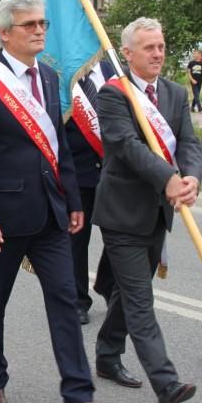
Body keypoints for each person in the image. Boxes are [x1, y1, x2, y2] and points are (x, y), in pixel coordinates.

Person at [0, 0, 117, 403]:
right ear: (5, 33)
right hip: (3, 219)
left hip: (50, 213)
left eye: (42, 23)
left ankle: (77, 395)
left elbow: (57, 143)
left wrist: (73, 196)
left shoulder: (47, 77)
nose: (40, 30)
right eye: (30, 25)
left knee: (66, 300)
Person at [92, 18, 200, 403]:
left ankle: (106, 355)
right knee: (140, 298)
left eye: (161, 46)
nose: (158, 53)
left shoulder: (173, 92)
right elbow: (125, 145)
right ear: (128, 53)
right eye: (149, 47)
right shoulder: (114, 94)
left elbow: (189, 142)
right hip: (122, 213)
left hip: (159, 212)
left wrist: (190, 178)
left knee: (126, 292)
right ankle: (166, 382)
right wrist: (168, 178)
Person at [64, 60, 115, 325]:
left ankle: (106, 284)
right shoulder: (64, 74)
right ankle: (77, 300)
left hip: (115, 174)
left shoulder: (113, 69)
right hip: (77, 173)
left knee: (118, 238)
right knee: (76, 241)